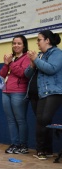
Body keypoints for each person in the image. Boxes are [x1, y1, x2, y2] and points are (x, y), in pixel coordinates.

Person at [25, 30, 62, 160]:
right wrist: (32, 64)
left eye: (39, 40)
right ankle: (43, 150)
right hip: (42, 92)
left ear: (47, 40)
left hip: (54, 92)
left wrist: (36, 60)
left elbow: (51, 69)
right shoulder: (40, 55)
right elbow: (27, 74)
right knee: (41, 121)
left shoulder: (57, 53)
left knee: (45, 119)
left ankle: (44, 150)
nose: (37, 43)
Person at [0, 35, 30, 154]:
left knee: (20, 119)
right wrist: (6, 63)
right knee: (10, 120)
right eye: (14, 43)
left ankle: (23, 145)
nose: (16, 45)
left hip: (19, 92)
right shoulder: (11, 58)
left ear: (24, 45)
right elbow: (2, 74)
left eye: (19, 43)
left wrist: (10, 63)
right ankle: (15, 144)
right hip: (6, 91)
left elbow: (23, 73)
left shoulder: (27, 57)